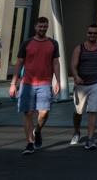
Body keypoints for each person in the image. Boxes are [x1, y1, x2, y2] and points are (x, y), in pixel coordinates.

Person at [9, 17, 61, 155]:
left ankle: (37, 130)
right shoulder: (27, 43)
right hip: (27, 84)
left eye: (45, 26)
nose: (42, 29)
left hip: (45, 83)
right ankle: (29, 143)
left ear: (47, 27)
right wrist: (13, 84)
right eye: (40, 26)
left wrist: (58, 81)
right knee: (29, 113)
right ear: (35, 27)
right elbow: (19, 62)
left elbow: (56, 63)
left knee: (44, 112)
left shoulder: (53, 43)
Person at [70, 23, 97, 151]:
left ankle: (90, 138)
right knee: (78, 112)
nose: (92, 35)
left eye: (95, 33)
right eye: (90, 33)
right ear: (86, 33)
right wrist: (76, 76)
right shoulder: (79, 48)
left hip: (96, 84)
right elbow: (73, 65)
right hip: (81, 85)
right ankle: (77, 132)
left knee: (93, 110)